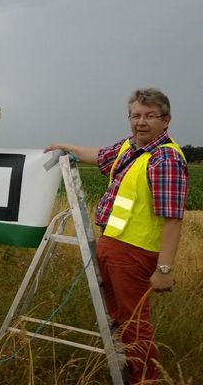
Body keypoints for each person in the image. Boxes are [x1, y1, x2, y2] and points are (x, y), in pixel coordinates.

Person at [45, 88, 188, 384]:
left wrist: (164, 270)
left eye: (150, 116)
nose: (141, 122)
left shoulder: (165, 160)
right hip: (112, 245)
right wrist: (66, 147)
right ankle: (124, 369)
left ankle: (145, 379)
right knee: (118, 318)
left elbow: (173, 220)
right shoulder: (130, 148)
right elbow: (98, 156)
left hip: (134, 253)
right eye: (136, 116)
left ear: (166, 120)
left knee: (134, 323)